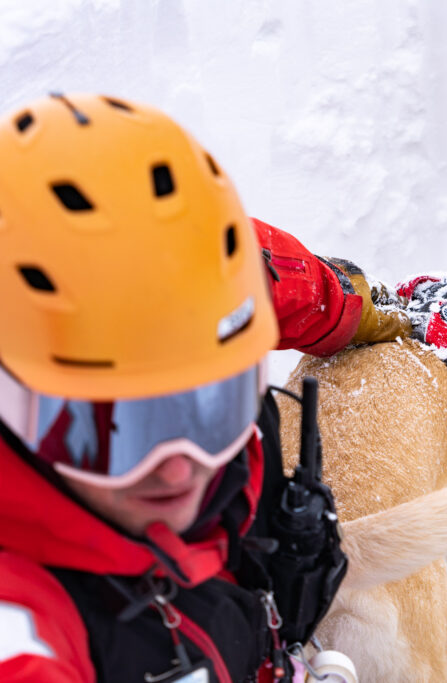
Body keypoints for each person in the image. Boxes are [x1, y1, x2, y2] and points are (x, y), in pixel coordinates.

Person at [0, 93, 409, 682]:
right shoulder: (27, 630)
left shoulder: (162, 272)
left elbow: (256, 268)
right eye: (109, 430)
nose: (179, 471)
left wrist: (349, 309)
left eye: (212, 404)